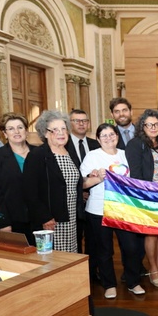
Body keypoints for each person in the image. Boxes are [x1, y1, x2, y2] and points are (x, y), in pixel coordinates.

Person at [81, 124, 145, 298]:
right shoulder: (92, 156)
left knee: (131, 247)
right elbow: (84, 184)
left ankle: (133, 281)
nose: (108, 138)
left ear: (117, 136)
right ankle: (109, 284)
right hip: (98, 209)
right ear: (98, 138)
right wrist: (98, 178)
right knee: (104, 249)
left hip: (124, 209)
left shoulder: (126, 155)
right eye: (104, 135)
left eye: (111, 134)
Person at [23, 110, 82, 252]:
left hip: (72, 217)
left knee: (70, 255)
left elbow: (74, 183)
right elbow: (30, 191)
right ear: (45, 133)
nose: (61, 133)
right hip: (51, 221)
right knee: (53, 258)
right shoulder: (37, 155)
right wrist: (45, 217)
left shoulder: (70, 154)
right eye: (55, 130)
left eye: (63, 129)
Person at [125, 109, 158, 288]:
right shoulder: (135, 145)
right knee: (152, 233)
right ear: (142, 126)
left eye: (156, 124)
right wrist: (146, 194)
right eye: (149, 125)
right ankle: (152, 269)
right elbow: (135, 174)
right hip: (148, 196)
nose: (153, 127)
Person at [0, 113, 36, 243]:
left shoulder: (39, 153)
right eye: (11, 128)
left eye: (20, 127)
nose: (16, 131)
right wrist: (3, 222)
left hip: (41, 219)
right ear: (5, 133)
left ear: (26, 130)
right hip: (13, 220)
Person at [66, 109, 100, 277]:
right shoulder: (63, 145)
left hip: (94, 201)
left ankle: (93, 273)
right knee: (76, 238)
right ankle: (78, 274)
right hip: (73, 201)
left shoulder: (96, 144)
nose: (81, 124)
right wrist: (81, 191)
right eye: (76, 120)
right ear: (69, 123)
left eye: (84, 120)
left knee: (94, 240)